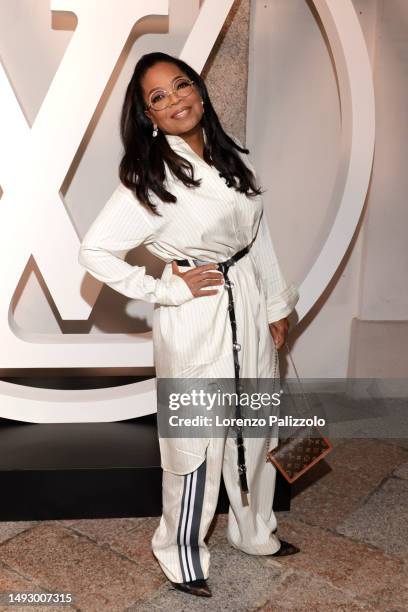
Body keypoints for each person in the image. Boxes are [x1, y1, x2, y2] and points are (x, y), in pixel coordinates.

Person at [78, 51, 300, 598]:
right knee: (196, 440)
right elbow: (95, 250)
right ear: (148, 115)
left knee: (257, 424)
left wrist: (275, 306)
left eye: (181, 86)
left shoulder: (230, 158)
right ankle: (180, 554)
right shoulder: (148, 176)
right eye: (158, 96)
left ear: (198, 90)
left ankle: (254, 531)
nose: (175, 99)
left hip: (247, 299)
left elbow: (257, 239)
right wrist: (166, 289)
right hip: (197, 314)